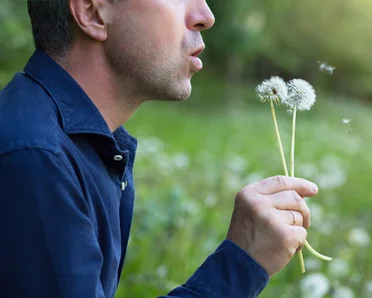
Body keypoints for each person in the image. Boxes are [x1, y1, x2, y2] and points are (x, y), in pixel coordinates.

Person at [0, 0, 318, 297]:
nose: (206, 16)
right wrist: (242, 263)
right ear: (92, 13)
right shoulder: (37, 159)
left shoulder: (74, 143)